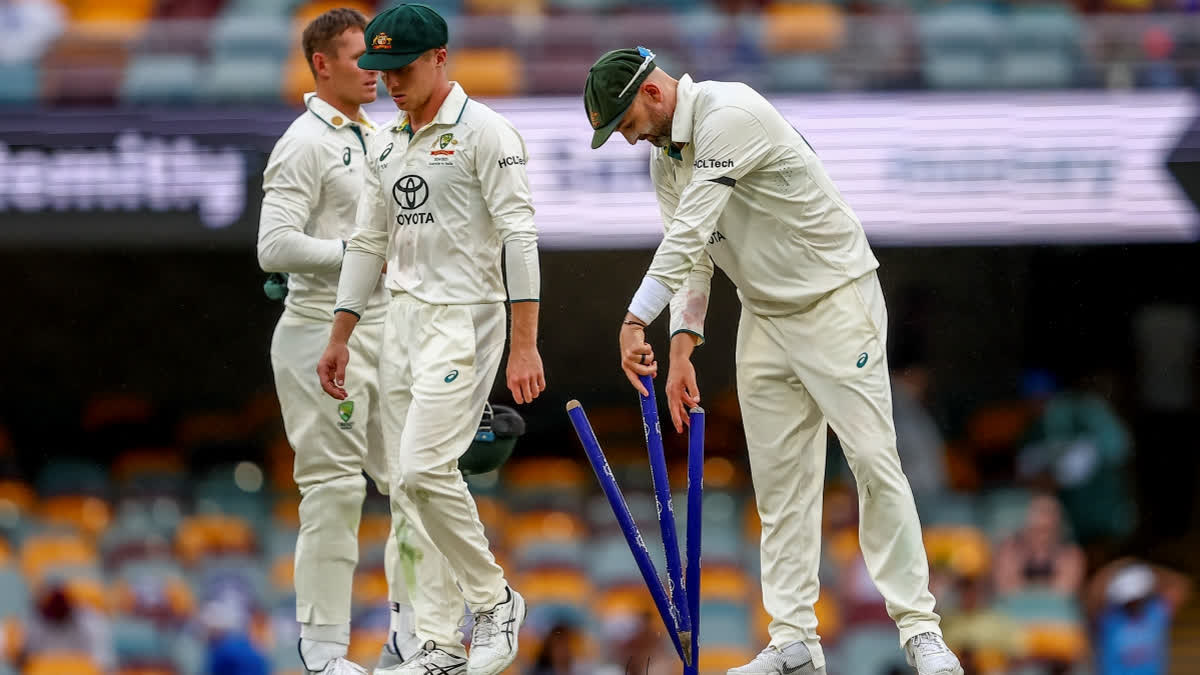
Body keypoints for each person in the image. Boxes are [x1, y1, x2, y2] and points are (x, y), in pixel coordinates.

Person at [583, 47, 963, 675]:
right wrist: (682, 349)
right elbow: (696, 258)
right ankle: (793, 640)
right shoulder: (663, 159)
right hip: (764, 314)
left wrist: (631, 320)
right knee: (780, 483)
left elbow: (687, 232)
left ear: (651, 92)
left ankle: (920, 630)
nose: (626, 141)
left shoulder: (731, 112)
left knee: (873, 460)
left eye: (623, 124)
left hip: (836, 300)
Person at [317, 4, 545, 675]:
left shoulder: (486, 133)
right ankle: (441, 645)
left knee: (421, 471)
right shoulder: (386, 143)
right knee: (408, 487)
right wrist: (340, 336)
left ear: (442, 57)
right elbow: (367, 242)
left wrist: (525, 343)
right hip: (403, 323)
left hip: (466, 319)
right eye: (381, 69)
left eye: (404, 68)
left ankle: (496, 599)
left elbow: (521, 239)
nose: (390, 82)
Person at [257, 9, 455, 673]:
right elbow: (273, 245)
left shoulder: (379, 138)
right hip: (319, 331)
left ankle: (410, 635)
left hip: (383, 332)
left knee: (413, 482)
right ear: (320, 64)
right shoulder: (304, 142)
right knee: (335, 490)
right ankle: (323, 651)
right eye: (354, 57)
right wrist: (355, 254)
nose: (371, 71)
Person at [1088, 559, 1192, 675]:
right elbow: (1092, 596)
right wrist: (1117, 566)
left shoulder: (1156, 614)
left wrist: (1146, 569)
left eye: (1138, 598)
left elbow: (1181, 585)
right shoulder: (1109, 620)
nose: (1135, 603)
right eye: (1130, 600)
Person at [991, 494, 1085, 597]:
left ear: (1058, 528)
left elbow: (1064, 592)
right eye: (1037, 530)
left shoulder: (1071, 553)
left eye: (1047, 531)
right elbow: (1006, 590)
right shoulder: (1010, 549)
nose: (1042, 538)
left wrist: (1024, 583)